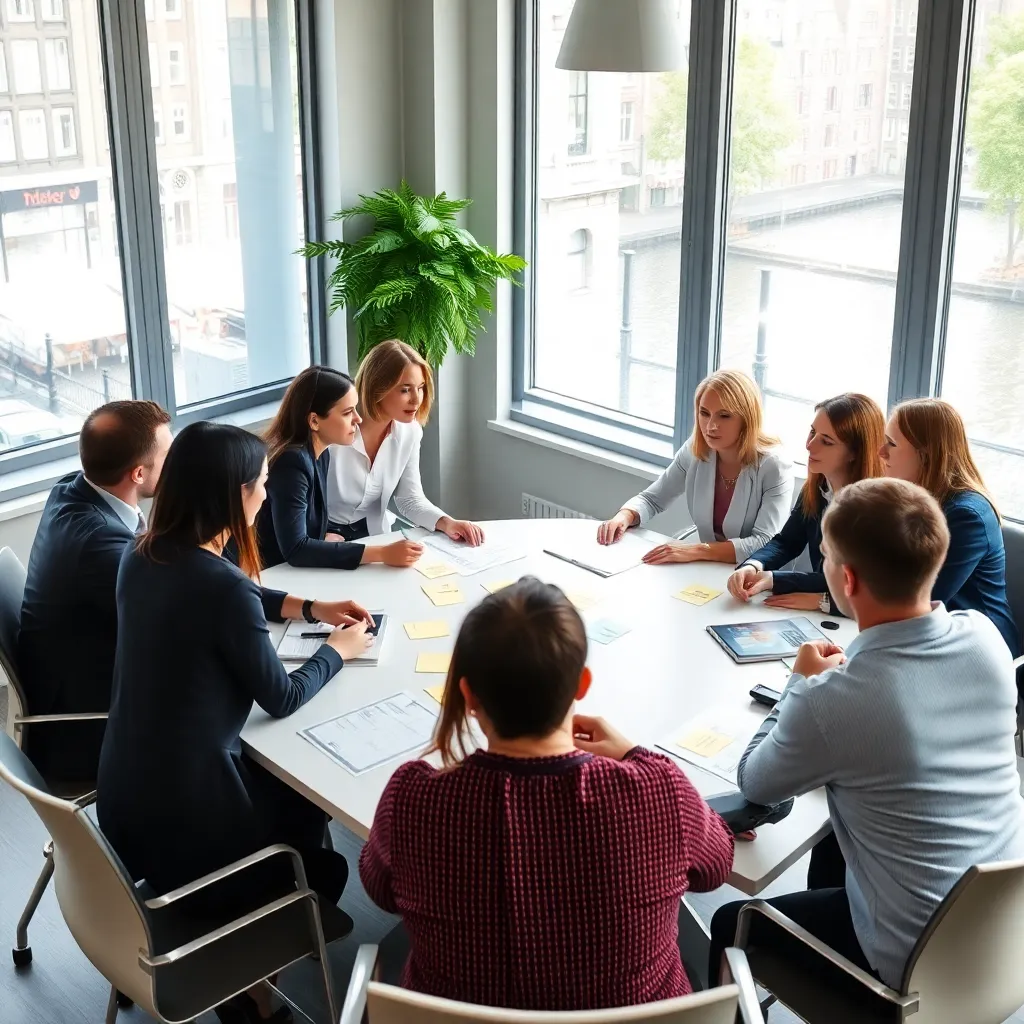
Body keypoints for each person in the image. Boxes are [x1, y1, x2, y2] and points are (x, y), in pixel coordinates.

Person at [98, 422, 372, 1022]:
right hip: (190, 827)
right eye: (262, 485)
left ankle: (237, 958)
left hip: (123, 807)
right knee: (320, 838)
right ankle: (250, 982)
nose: (268, 496)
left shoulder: (141, 555)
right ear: (233, 494)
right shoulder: (221, 586)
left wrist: (307, 607)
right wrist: (339, 650)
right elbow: (282, 695)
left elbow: (234, 591)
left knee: (286, 797)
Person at [358, 577, 734, 1011]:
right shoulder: (657, 790)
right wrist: (635, 754)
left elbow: (380, 889)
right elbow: (716, 867)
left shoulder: (414, 800)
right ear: (582, 685)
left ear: (467, 694)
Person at [708, 478, 1024, 989]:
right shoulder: (985, 640)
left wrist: (799, 684)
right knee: (834, 847)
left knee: (729, 921)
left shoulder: (836, 699)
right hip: (1003, 936)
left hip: (910, 967)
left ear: (847, 581)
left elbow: (755, 784)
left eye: (826, 556)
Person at [18, 400, 172, 784]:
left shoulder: (73, 488)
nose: (177, 465)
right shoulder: (100, 543)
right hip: (85, 726)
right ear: (138, 473)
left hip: (78, 676)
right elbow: (176, 612)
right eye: (169, 457)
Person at [598, 370, 793, 565]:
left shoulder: (774, 465)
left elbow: (764, 542)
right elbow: (652, 499)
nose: (710, 426)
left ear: (747, 419)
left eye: (724, 416)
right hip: (708, 566)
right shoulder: (695, 450)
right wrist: (624, 516)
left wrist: (694, 550)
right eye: (704, 413)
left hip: (756, 574)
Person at [881, 398, 1019, 657]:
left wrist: (829, 601)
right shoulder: (915, 497)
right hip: (932, 635)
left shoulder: (967, 515)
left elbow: (922, 599)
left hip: (980, 652)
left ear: (926, 454)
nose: (881, 452)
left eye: (891, 443)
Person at [726, 393, 885, 614]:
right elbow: (787, 542)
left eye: (826, 441)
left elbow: (849, 582)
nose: (810, 446)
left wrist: (774, 579)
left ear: (854, 454)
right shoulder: (818, 487)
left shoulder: (877, 509)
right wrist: (754, 566)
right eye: (812, 432)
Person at [257, 365, 424, 569]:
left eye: (355, 409)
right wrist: (382, 553)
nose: (358, 418)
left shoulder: (321, 454)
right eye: (347, 413)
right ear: (314, 421)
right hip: (274, 575)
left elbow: (300, 525)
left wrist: (320, 538)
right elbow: (296, 549)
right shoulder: (291, 463)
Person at [326, 340, 483, 547]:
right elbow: (301, 502)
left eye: (420, 388)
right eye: (405, 390)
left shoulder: (410, 432)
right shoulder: (335, 431)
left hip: (376, 540)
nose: (416, 400)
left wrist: (447, 522)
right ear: (377, 388)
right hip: (321, 540)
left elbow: (409, 499)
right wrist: (316, 536)